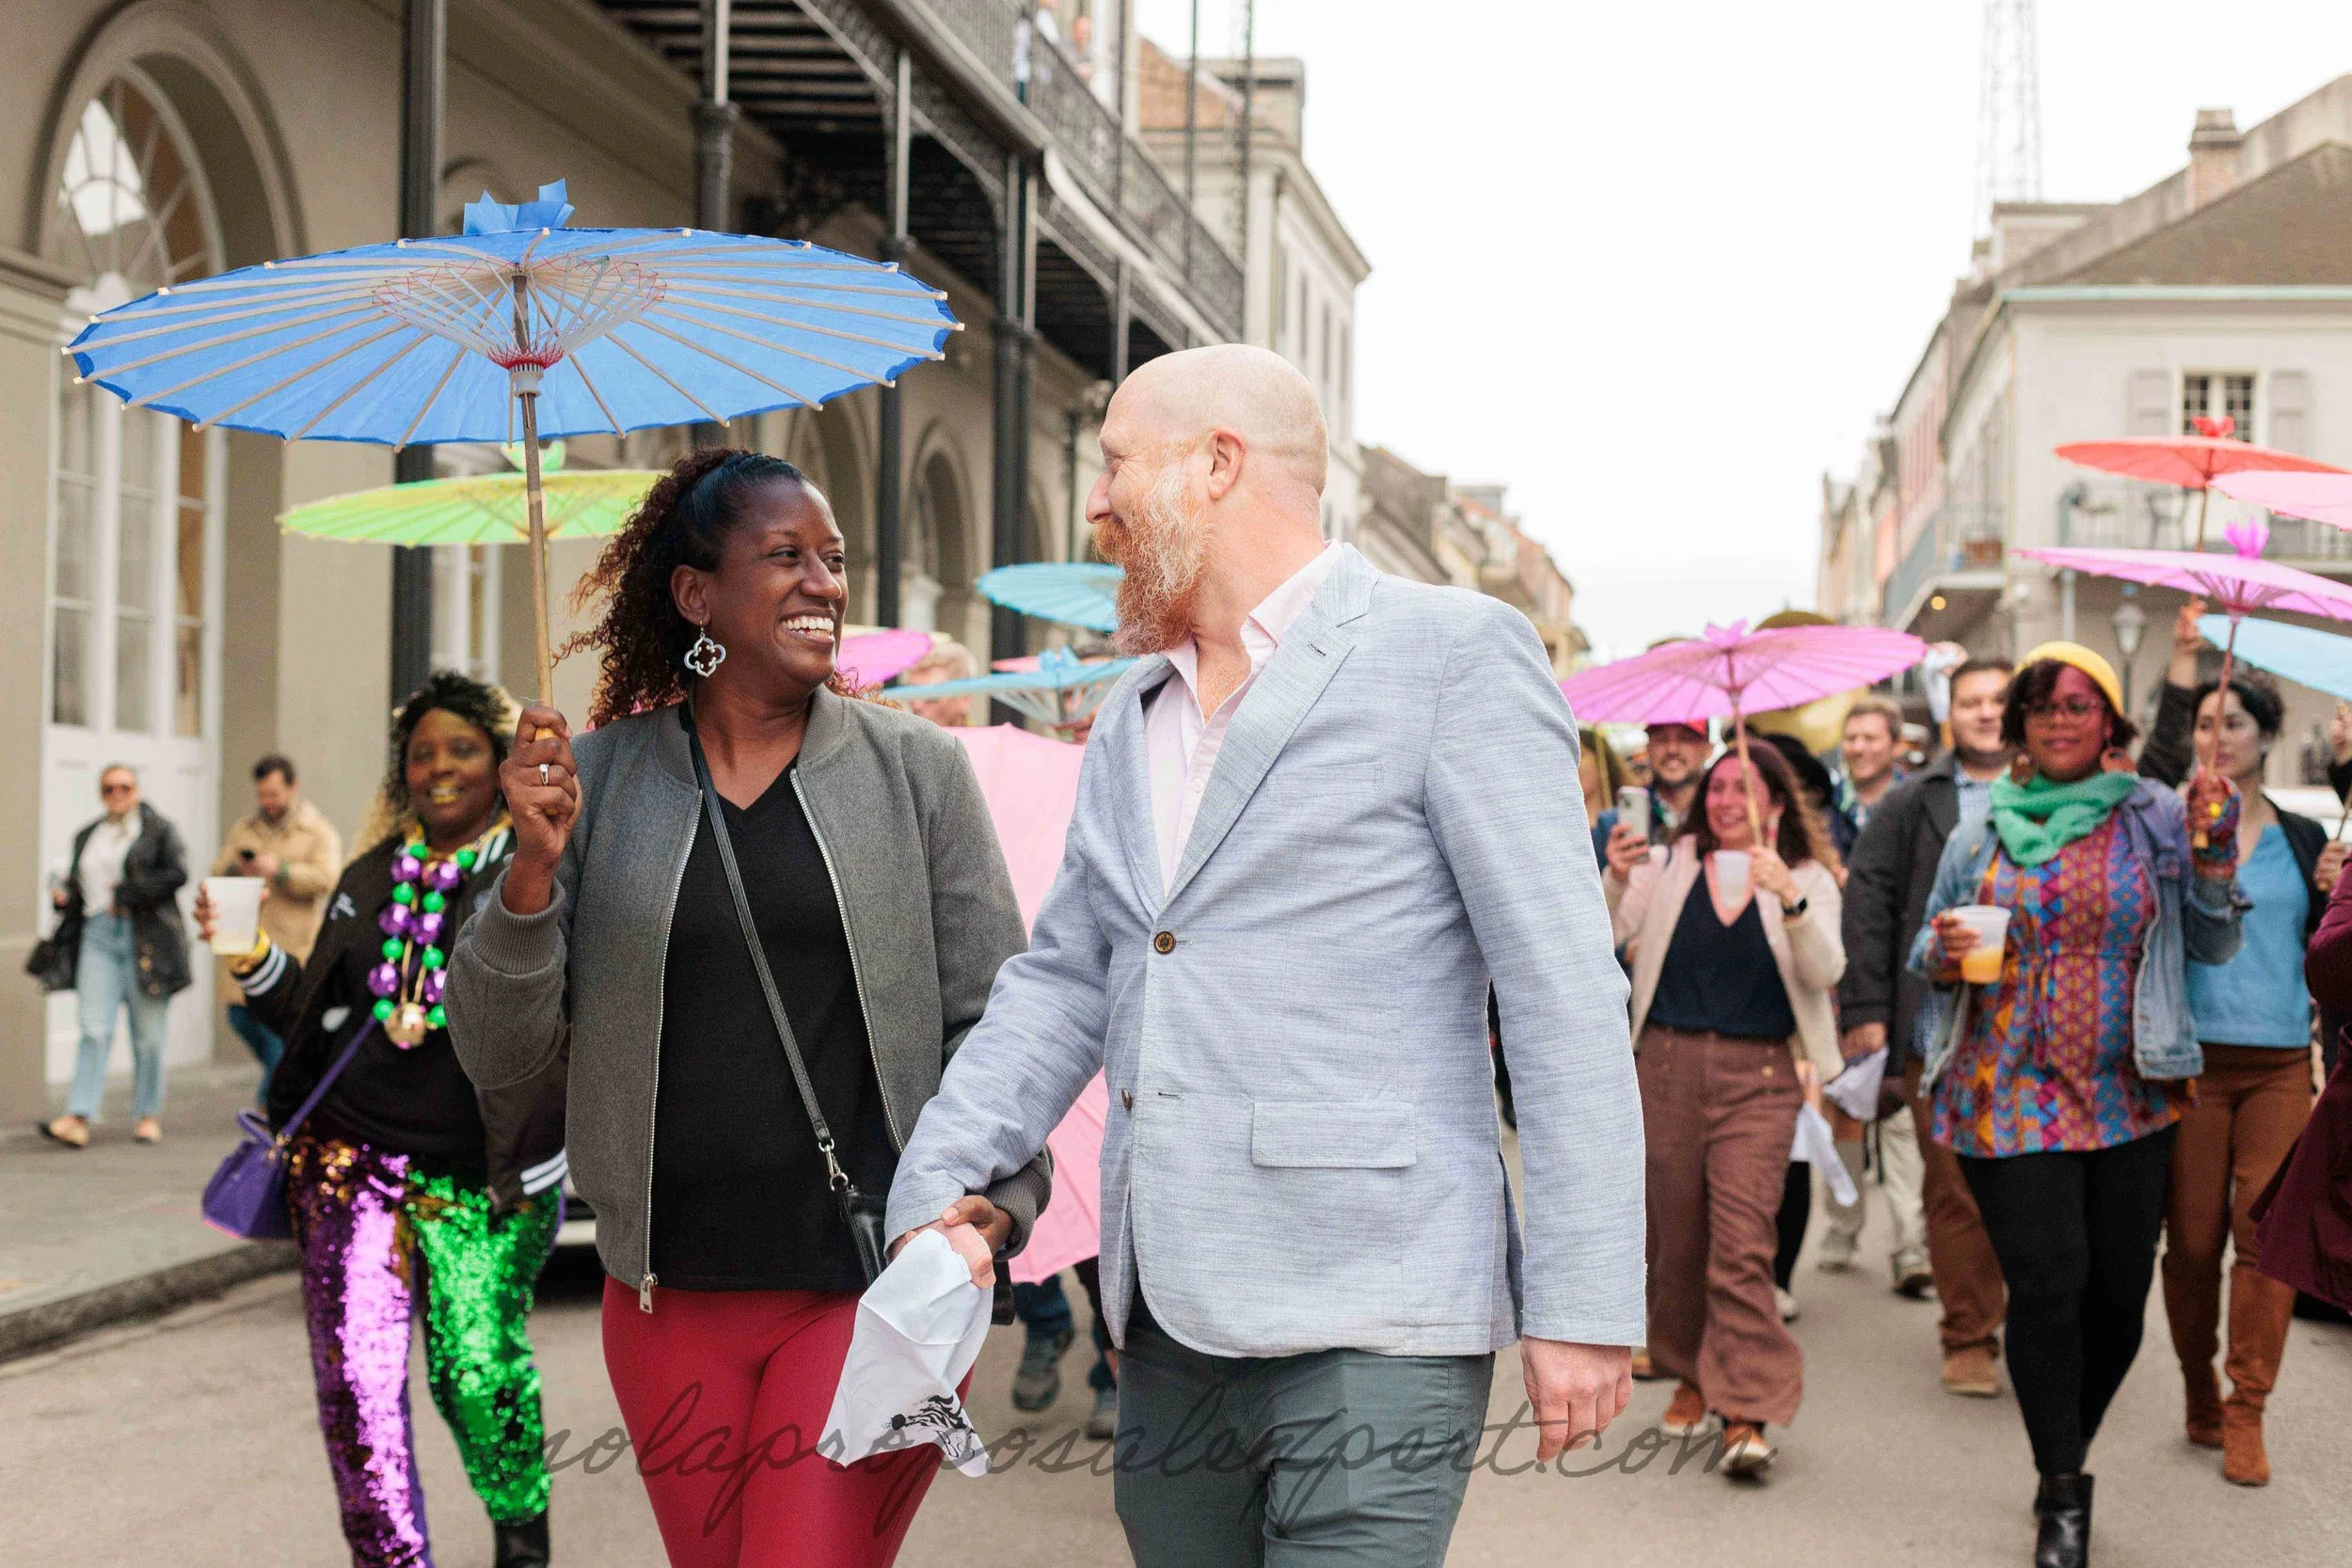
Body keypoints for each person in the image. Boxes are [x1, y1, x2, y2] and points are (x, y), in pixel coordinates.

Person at [883, 345, 1642, 1567]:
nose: (1097, 503)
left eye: (1117, 464)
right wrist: (938, 1181)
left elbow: (1561, 987)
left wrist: (1585, 1299)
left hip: (1378, 1322)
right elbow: (1068, 973)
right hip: (1167, 1324)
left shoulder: (1453, 653)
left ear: (1216, 465)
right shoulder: (1135, 712)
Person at [447, 450, 1049, 1568]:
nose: (823, 581)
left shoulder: (916, 772)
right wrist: (529, 874)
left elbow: (999, 1023)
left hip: (871, 1285)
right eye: (785, 556)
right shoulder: (596, 784)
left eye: (833, 559)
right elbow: (495, 1050)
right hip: (666, 1302)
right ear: (696, 595)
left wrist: (1000, 1199)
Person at [202, 672, 565, 1568]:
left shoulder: (533, 864)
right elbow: (316, 1014)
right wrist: (251, 955)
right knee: (358, 1396)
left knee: (476, 1374)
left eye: (464, 749)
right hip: (346, 1165)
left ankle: (522, 1539)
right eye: (421, 754)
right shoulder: (370, 873)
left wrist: (540, 846)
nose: (439, 769)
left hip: (478, 1177)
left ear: (502, 760)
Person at [1913, 642, 2244, 1568]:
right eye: (2041, 706)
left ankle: (2063, 1441)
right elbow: (1927, 955)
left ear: (2109, 720)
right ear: (2018, 724)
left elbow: (2211, 943)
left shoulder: (2154, 818)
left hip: (2128, 1086)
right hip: (2004, 1087)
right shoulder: (1977, 831)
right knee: (2050, 1279)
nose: (2059, 719)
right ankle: (2062, 1487)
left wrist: (2213, 852)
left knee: (2119, 1301)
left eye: (2077, 704)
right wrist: (1939, 954)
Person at [2133, 634, 2341, 1487]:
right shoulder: (2165, 821)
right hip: (2188, 1059)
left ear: (2265, 734)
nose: (2219, 736)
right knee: (2190, 1244)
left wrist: (2337, 891)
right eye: (2207, 722)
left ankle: (2246, 1405)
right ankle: (2196, 1383)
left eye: (2236, 722)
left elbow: (2327, 952)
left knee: (2266, 1236)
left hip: (2281, 1062)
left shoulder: (2302, 836)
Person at [1603, 740, 1844, 1475]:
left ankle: (1747, 1404)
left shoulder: (1805, 876)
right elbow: (1602, 934)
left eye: (1746, 788)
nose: (1728, 800)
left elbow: (1826, 969)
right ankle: (1690, 1372)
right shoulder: (1669, 863)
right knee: (1677, 1241)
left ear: (1775, 802)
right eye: (1718, 787)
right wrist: (1614, 876)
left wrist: (1792, 901)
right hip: (1666, 1067)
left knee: (1743, 1243)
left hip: (1761, 1077)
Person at [1840, 657, 2015, 1391]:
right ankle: (1969, 1330)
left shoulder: (2063, 795)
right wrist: (1867, 1013)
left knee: (2027, 1187)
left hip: (2040, 1026)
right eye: (1970, 700)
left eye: (1998, 700)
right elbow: (1870, 903)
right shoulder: (1915, 801)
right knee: (1950, 1184)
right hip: (1939, 1023)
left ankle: (2022, 1313)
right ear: (1952, 714)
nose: (1984, 712)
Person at [40, 765, 190, 1148]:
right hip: (98, 936)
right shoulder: (89, 835)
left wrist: (127, 893)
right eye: (109, 789)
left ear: (137, 790)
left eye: (124, 787)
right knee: (93, 1027)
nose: (117, 795)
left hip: (146, 939)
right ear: (101, 794)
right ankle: (78, 1114)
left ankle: (147, 1114)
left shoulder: (158, 831)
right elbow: (78, 885)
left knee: (149, 1036)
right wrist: (63, 896)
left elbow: (177, 873)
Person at [211, 753, 342, 1104]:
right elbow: (218, 869)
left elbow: (328, 878)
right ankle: (283, 1096)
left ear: (292, 787)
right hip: (247, 941)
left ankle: (272, 1104)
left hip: (291, 948)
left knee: (280, 1034)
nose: (268, 802)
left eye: (274, 794)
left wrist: (281, 871)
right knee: (240, 1017)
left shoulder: (317, 830)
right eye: (262, 795)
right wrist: (239, 869)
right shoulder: (244, 829)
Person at [1834, 694, 1907, 858]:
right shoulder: (1826, 802)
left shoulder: (1917, 799)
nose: (1858, 748)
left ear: (1898, 745)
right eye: (1851, 738)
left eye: (1870, 738)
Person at [1645, 720, 1709, 838]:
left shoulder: (1724, 818)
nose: (1672, 750)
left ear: (1708, 749)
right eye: (1661, 739)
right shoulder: (1617, 823)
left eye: (1685, 739)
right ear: (1648, 748)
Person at [898, 637, 979, 727]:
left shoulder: (986, 740)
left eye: (930, 695)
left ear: (965, 698)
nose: (917, 705)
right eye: (911, 692)